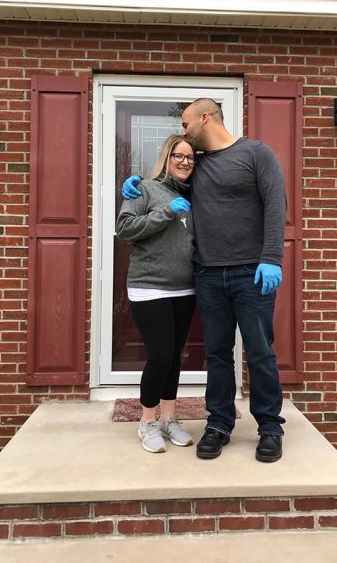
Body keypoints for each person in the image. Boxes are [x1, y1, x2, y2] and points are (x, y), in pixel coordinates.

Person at [122, 98, 287, 463]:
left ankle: (270, 428)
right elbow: (169, 184)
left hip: (251, 273)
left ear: (204, 118)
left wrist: (271, 258)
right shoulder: (197, 167)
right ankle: (219, 424)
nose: (183, 132)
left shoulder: (256, 153)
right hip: (208, 275)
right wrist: (139, 183)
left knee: (260, 352)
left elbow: (277, 204)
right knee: (217, 354)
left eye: (185, 123)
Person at [115, 134, 198, 453]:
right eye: (179, 155)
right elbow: (125, 229)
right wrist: (166, 213)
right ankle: (146, 422)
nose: (185, 161)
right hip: (149, 286)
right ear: (167, 157)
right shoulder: (144, 189)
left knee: (174, 356)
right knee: (161, 355)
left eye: (190, 157)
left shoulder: (196, 194)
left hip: (185, 287)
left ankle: (169, 419)